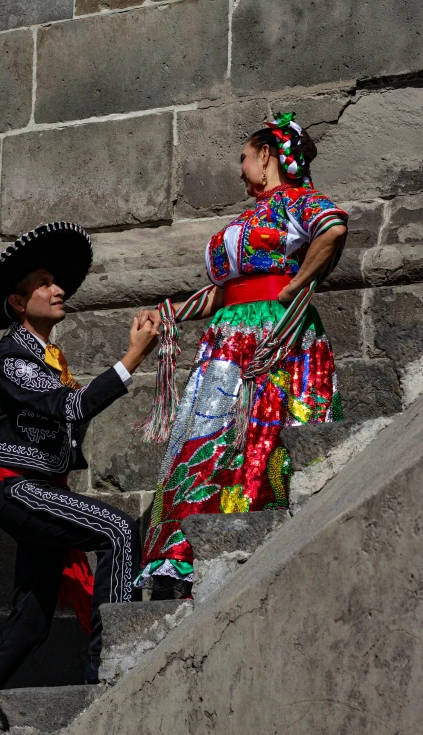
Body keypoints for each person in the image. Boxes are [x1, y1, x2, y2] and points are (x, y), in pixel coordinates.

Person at [0, 221, 160, 735]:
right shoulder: (11, 359)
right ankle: (109, 675)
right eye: (45, 283)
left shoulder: (48, 360)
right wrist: (132, 357)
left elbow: (70, 414)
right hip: (21, 492)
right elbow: (71, 406)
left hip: (44, 492)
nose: (58, 289)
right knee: (117, 532)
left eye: (57, 281)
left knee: (29, 624)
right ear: (19, 303)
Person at [134, 113, 348, 597]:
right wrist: (167, 313)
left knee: (259, 435)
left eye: (244, 157)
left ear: (267, 156)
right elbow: (221, 291)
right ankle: (188, 551)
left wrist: (295, 284)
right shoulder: (249, 219)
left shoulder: (294, 201)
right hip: (227, 337)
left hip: (268, 338)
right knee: (208, 436)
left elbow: (332, 227)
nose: (240, 168)